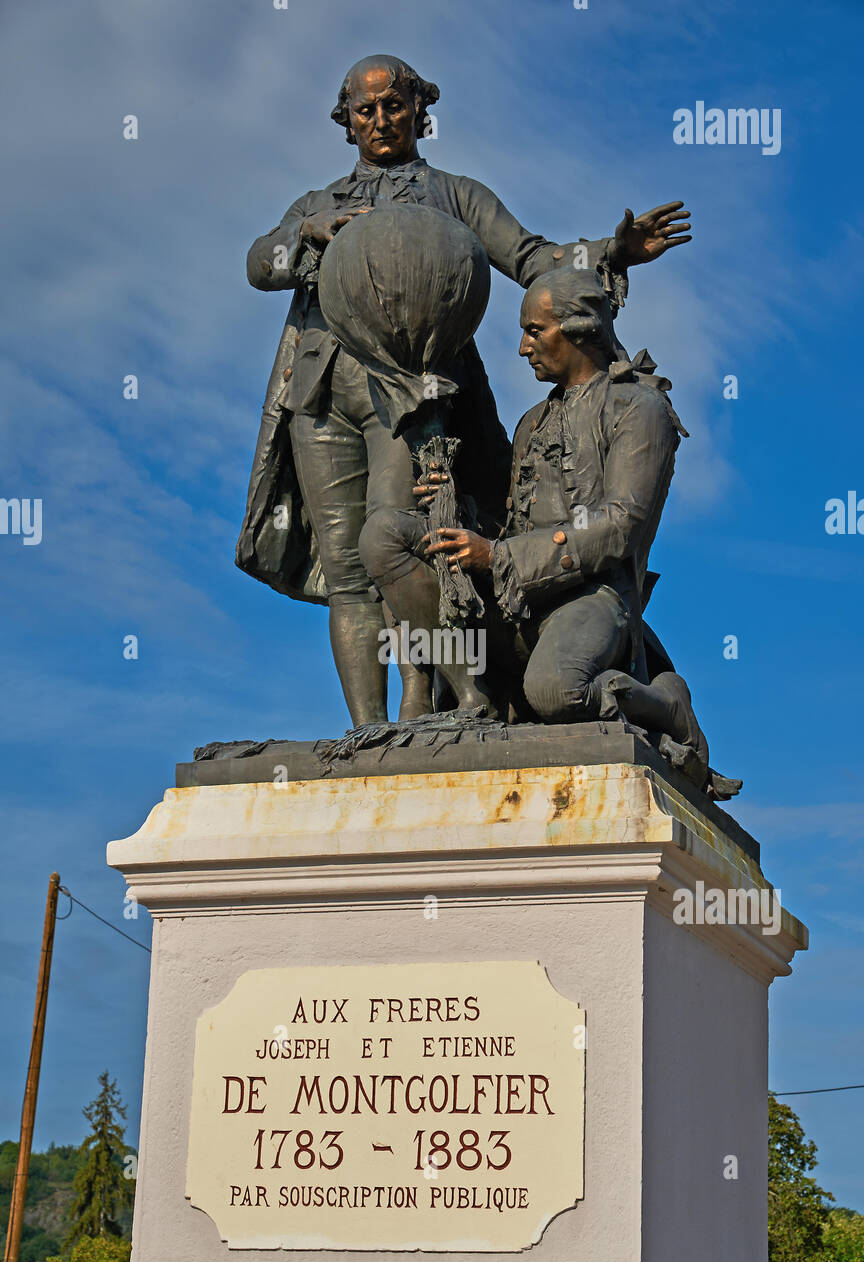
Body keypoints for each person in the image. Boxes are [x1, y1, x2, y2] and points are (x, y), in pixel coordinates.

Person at [237, 54, 693, 727]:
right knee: (346, 573)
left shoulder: (456, 194)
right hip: (322, 391)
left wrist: (611, 251)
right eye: (367, 111)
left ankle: (429, 702)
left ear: (421, 111)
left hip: (414, 393)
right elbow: (259, 265)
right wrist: (303, 238)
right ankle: (369, 729)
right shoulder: (319, 204)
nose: (382, 121)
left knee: (406, 541)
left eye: (396, 105)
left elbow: (532, 258)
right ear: (348, 122)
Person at [358, 267, 720, 793]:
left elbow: (622, 526)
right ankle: (475, 695)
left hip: (593, 599)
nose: (523, 347)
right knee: (384, 533)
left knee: (555, 692)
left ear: (579, 330)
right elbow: (509, 526)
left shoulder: (641, 409)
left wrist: (498, 558)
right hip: (517, 598)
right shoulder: (531, 422)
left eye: (534, 331)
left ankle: (665, 702)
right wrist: (452, 513)